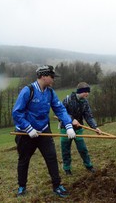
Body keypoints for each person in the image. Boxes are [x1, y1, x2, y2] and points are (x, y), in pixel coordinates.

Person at [12, 65, 76, 197]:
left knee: (51, 157)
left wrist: (68, 125)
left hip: (43, 130)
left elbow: (60, 109)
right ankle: (22, 187)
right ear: (43, 76)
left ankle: (57, 185)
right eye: (52, 76)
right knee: (24, 160)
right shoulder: (27, 91)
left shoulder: (50, 92)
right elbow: (17, 113)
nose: (53, 79)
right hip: (25, 132)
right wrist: (28, 128)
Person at [59, 82, 101, 175]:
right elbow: (61, 114)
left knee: (83, 149)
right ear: (80, 91)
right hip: (65, 129)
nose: (87, 94)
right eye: (85, 92)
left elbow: (88, 116)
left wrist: (95, 127)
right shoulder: (67, 100)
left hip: (78, 129)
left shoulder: (85, 102)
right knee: (65, 150)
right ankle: (67, 168)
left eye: (88, 92)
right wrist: (72, 119)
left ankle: (89, 166)